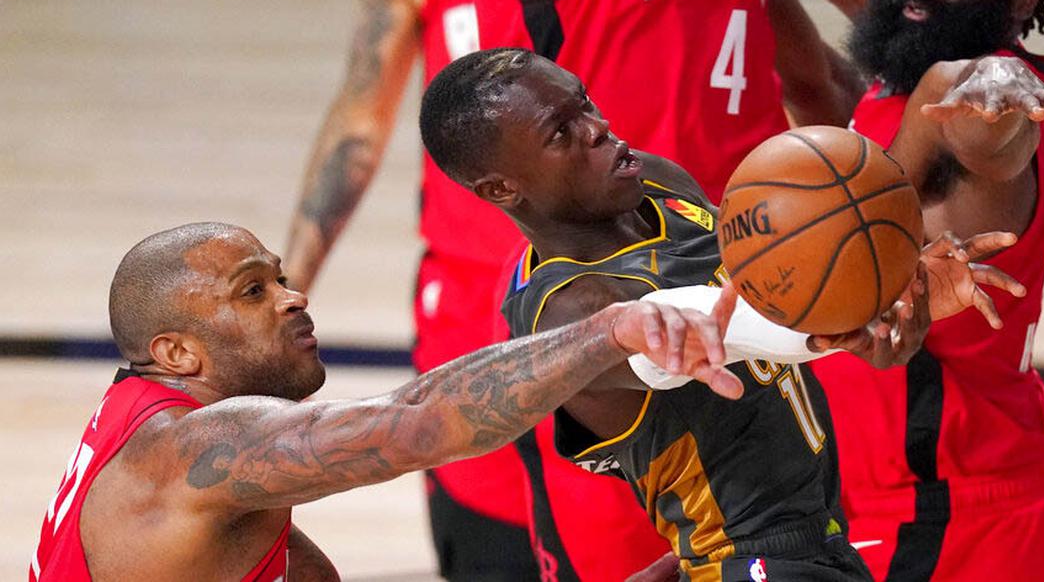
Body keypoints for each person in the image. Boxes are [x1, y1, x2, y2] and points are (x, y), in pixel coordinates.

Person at [418, 48, 1030, 579]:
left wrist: (880, 302)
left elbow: (780, 289)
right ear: (501, 189)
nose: (599, 128)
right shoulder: (567, 312)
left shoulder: (654, 184)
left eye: (584, 103)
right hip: (747, 555)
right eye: (561, 133)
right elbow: (713, 324)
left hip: (820, 537)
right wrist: (849, 319)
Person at [30, 222, 743, 581]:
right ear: (177, 353)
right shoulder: (196, 451)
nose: (292, 297)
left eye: (278, 279)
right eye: (253, 292)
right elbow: (417, 426)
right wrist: (609, 330)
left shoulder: (149, 418)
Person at [811, 0, 1044, 580]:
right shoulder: (899, 77)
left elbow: (992, 133)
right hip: (960, 497)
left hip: (957, 525)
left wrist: (993, 89)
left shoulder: (979, 95)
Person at [281, 0, 542, 577]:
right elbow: (360, 118)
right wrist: (284, 292)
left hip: (644, 299)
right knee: (499, 547)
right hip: (477, 317)